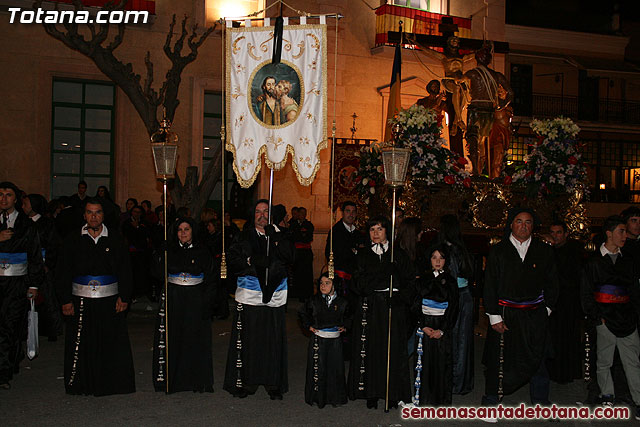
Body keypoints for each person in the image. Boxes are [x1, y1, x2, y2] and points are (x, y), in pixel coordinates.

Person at [55, 198, 135, 396]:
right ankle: (82, 384)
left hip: (109, 302)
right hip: (80, 301)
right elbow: (62, 272)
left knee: (109, 343)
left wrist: (124, 297)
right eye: (89, 212)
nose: (93, 216)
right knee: (82, 344)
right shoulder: (72, 240)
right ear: (84, 215)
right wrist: (65, 300)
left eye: (97, 212)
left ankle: (110, 384)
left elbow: (125, 271)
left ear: (103, 215)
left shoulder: (115, 239)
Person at [482, 208, 559, 406]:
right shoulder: (499, 251)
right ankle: (492, 401)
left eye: (528, 222)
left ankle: (540, 402)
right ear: (511, 224)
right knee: (499, 360)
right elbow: (490, 284)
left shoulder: (544, 250)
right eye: (519, 221)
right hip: (506, 314)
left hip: (535, 314)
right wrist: (494, 316)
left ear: (533, 226)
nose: (523, 226)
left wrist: (547, 309)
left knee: (538, 359)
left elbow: (552, 283)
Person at [223, 199, 294, 400]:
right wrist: (250, 261)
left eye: (266, 211)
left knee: (273, 340)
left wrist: (277, 239)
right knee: (250, 340)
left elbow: (291, 257)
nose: (262, 215)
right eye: (258, 212)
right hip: (251, 295)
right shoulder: (243, 236)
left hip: (276, 295)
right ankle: (248, 382)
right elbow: (232, 260)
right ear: (253, 215)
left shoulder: (281, 234)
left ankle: (274, 383)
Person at [347, 216, 415, 409]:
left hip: (393, 306)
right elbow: (359, 283)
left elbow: (410, 282)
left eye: (380, 229)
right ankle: (371, 392)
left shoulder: (398, 255)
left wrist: (400, 298)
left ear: (388, 232)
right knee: (371, 348)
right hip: (371, 306)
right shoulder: (362, 255)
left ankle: (392, 392)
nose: (376, 233)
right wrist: (384, 274)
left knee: (393, 349)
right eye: (372, 230)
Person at [581, 216, 640, 417]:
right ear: (609, 233)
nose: (625, 235)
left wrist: (633, 315)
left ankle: (638, 400)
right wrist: (598, 318)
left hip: (627, 320)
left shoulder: (628, 261)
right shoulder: (594, 262)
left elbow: (634, 292)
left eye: (625, 231)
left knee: (632, 362)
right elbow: (586, 293)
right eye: (621, 231)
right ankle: (607, 395)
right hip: (604, 319)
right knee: (604, 361)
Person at [152, 217, 216, 393]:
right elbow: (158, 274)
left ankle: (197, 381)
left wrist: (207, 303)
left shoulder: (203, 251)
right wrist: (160, 255)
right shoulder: (169, 250)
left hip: (196, 299)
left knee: (195, 340)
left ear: (193, 231)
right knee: (174, 338)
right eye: (180, 230)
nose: (183, 233)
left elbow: (211, 279)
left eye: (186, 229)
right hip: (175, 298)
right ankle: (173, 380)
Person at [0, 182, 43, 389]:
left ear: (15, 199)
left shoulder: (27, 224)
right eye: (0, 195)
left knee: (10, 325)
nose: (3, 199)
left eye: (8, 195)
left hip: (16, 283)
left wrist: (33, 285)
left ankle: (4, 372)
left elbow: (35, 256)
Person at [412, 245, 459, 406]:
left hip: (442, 325)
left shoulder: (451, 281)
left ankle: (441, 401)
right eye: (434, 257)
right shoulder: (422, 279)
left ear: (446, 260)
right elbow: (416, 304)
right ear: (429, 260)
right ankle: (423, 398)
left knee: (442, 363)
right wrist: (423, 325)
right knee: (424, 362)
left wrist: (443, 330)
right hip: (425, 324)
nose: (438, 261)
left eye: (441, 258)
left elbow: (453, 307)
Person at [435, 214, 475, 395]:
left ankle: (453, 382)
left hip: (455, 297)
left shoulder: (449, 251)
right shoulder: (463, 248)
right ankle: (460, 382)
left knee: (453, 339)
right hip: (465, 297)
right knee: (463, 340)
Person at [298, 273, 349, 408]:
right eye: (321, 283)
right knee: (318, 369)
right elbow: (303, 313)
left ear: (334, 285)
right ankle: (317, 397)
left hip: (335, 342)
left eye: (327, 283)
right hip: (318, 340)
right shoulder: (313, 300)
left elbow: (349, 317)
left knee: (334, 369)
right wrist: (308, 325)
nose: (323, 286)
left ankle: (334, 397)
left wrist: (345, 327)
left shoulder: (342, 302)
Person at [547, 221, 584, 383]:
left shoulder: (574, 251)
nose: (555, 236)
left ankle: (567, 373)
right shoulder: (549, 251)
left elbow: (575, 277)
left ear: (566, 234)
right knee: (553, 337)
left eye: (559, 232)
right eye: (553, 232)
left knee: (568, 337)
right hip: (554, 302)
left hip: (569, 301)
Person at [22, 193, 63, 341]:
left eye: (26, 204)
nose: (23, 207)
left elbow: (54, 246)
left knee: (47, 299)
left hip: (43, 266)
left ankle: (52, 330)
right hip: (26, 266)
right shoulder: (23, 223)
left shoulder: (47, 223)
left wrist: (48, 264)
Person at [324, 201, 366, 301]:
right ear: (342, 213)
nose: (351, 215)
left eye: (353, 212)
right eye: (348, 211)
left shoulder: (358, 233)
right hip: (341, 278)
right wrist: (355, 252)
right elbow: (331, 254)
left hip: (355, 279)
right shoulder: (336, 231)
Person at [122, 205, 151, 300]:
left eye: (139, 212)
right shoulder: (127, 223)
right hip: (131, 253)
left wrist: (138, 227)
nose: (136, 214)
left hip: (142, 253)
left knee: (141, 273)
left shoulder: (144, 223)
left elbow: (145, 236)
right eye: (135, 211)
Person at [290, 206, 314, 302]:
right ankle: (297, 293)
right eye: (301, 213)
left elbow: (308, 237)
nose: (302, 215)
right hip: (297, 253)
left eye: (304, 213)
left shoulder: (309, 224)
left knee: (306, 274)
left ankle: (307, 294)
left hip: (306, 253)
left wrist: (300, 236)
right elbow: (293, 237)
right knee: (297, 274)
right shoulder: (293, 224)